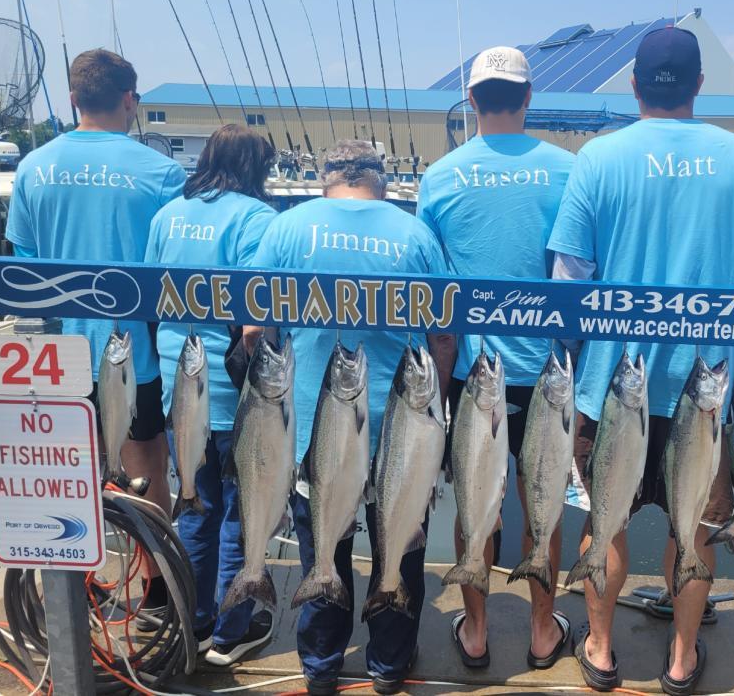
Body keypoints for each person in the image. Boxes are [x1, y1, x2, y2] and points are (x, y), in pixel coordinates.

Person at [547, 26, 734, 694]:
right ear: (701, 84)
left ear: (634, 84)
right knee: (696, 531)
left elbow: (569, 280)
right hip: (704, 395)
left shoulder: (598, 158)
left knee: (605, 523)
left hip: (609, 387)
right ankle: (680, 659)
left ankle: (597, 647)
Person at [243, 140, 455, 696]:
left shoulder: (287, 229)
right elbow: (445, 334)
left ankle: (320, 666)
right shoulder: (415, 235)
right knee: (401, 543)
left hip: (313, 425)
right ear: (381, 181)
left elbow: (250, 327)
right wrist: (439, 403)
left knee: (322, 543)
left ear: (325, 179)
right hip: (402, 425)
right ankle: (389, 667)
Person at [5, 48, 186, 616]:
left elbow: (23, 264)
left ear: (73, 100)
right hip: (135, 352)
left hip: (56, 355)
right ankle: (158, 588)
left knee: (67, 470)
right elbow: (173, 266)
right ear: (130, 99)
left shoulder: (34, 167)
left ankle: (76, 585)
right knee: (148, 466)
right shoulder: (163, 173)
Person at [416, 45, 576, 670]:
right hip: (547, 374)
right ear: (529, 98)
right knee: (543, 500)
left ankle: (477, 631)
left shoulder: (441, 175)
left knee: (476, 501)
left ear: (473, 100)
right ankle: (542, 631)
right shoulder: (568, 170)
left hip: (469, 372)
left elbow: (430, 277)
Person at [144, 124, 277, 664]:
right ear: (258, 168)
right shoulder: (256, 218)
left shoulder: (166, 216)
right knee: (241, 514)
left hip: (183, 388)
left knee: (195, 508)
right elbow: (253, 321)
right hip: (236, 395)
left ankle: (193, 622)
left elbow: (151, 294)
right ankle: (231, 630)